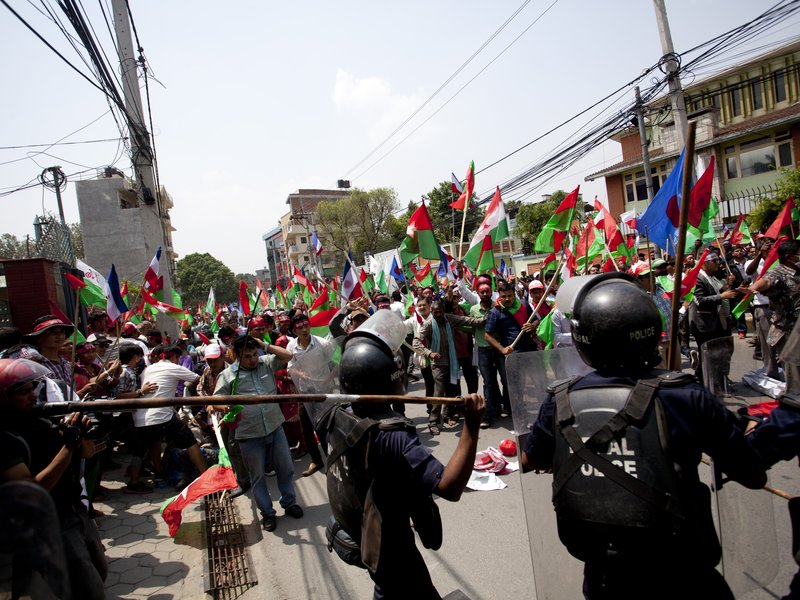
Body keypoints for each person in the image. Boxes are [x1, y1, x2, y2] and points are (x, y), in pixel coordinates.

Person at [520, 273, 766, 599]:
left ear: (583, 341)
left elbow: (530, 458)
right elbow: (752, 473)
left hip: (604, 577)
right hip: (683, 572)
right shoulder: (685, 395)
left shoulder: (560, 398)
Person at [331, 312, 486, 599]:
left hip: (365, 528)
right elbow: (449, 487)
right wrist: (472, 425)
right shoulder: (393, 434)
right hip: (389, 542)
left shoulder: (340, 414)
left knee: (388, 587)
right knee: (403, 586)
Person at [0, 358, 108, 599]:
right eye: (23, 392)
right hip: (47, 522)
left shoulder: (39, 422)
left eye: (32, 389)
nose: (32, 396)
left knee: (99, 571)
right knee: (87, 588)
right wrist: (69, 445)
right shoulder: (6, 440)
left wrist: (81, 436)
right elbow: (33, 490)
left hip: (75, 510)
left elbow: (87, 453)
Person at [212, 335, 303, 532]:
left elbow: (288, 356)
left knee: (286, 468)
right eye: (247, 356)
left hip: (275, 426)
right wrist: (225, 406)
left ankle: (290, 503)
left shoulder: (266, 362)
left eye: (254, 354)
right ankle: (268, 514)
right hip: (248, 434)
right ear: (236, 356)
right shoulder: (228, 375)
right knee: (258, 476)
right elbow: (214, 401)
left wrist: (264, 344)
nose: (253, 359)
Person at [413, 300, 485, 435]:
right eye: (435, 312)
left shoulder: (450, 318)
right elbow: (416, 342)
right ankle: (433, 421)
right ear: (432, 312)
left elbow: (466, 320)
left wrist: (482, 320)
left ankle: (447, 415)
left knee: (452, 389)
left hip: (453, 361)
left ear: (444, 311)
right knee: (439, 392)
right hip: (438, 364)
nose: (438, 315)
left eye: (440, 312)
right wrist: (429, 353)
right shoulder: (428, 324)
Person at [748, 239, 800, 392]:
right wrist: (753, 288)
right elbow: (764, 282)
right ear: (790, 257)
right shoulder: (777, 273)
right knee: (794, 371)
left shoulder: (798, 270)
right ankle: (794, 398)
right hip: (788, 330)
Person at [285, 313, 333, 476]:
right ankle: (316, 460)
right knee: (306, 429)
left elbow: (334, 365)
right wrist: (300, 373)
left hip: (324, 392)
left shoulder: (323, 344)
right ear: (294, 331)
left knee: (324, 427)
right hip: (304, 393)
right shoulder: (291, 346)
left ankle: (332, 460)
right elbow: (290, 368)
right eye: (300, 327)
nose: (304, 329)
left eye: (306, 325)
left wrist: (327, 380)